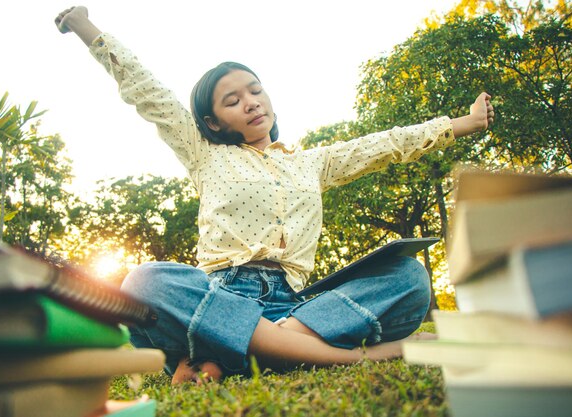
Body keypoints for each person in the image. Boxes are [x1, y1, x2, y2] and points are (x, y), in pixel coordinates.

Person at [55, 6, 494, 385]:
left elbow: (381, 145)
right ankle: (340, 355)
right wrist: (86, 28)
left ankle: (238, 353)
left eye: (255, 89)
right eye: (232, 100)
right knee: (147, 282)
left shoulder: (311, 162)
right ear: (213, 122)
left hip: (297, 303)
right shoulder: (204, 154)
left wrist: (463, 123)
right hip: (222, 295)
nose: (250, 101)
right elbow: (147, 91)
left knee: (409, 278)